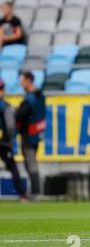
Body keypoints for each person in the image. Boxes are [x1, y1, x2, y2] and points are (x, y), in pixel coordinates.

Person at [16, 71, 46, 199]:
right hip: (36, 133)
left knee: (30, 163)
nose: (21, 83)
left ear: (28, 80)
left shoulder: (30, 98)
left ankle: (35, 191)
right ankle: (35, 190)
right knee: (31, 161)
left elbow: (20, 115)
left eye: (22, 80)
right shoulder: (40, 96)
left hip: (28, 134)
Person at [0, 79, 28, 202]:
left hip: (4, 142)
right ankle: (22, 194)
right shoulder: (5, 106)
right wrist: (8, 138)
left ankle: (22, 194)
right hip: (4, 142)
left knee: (13, 168)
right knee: (13, 168)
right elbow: (11, 126)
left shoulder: (5, 106)